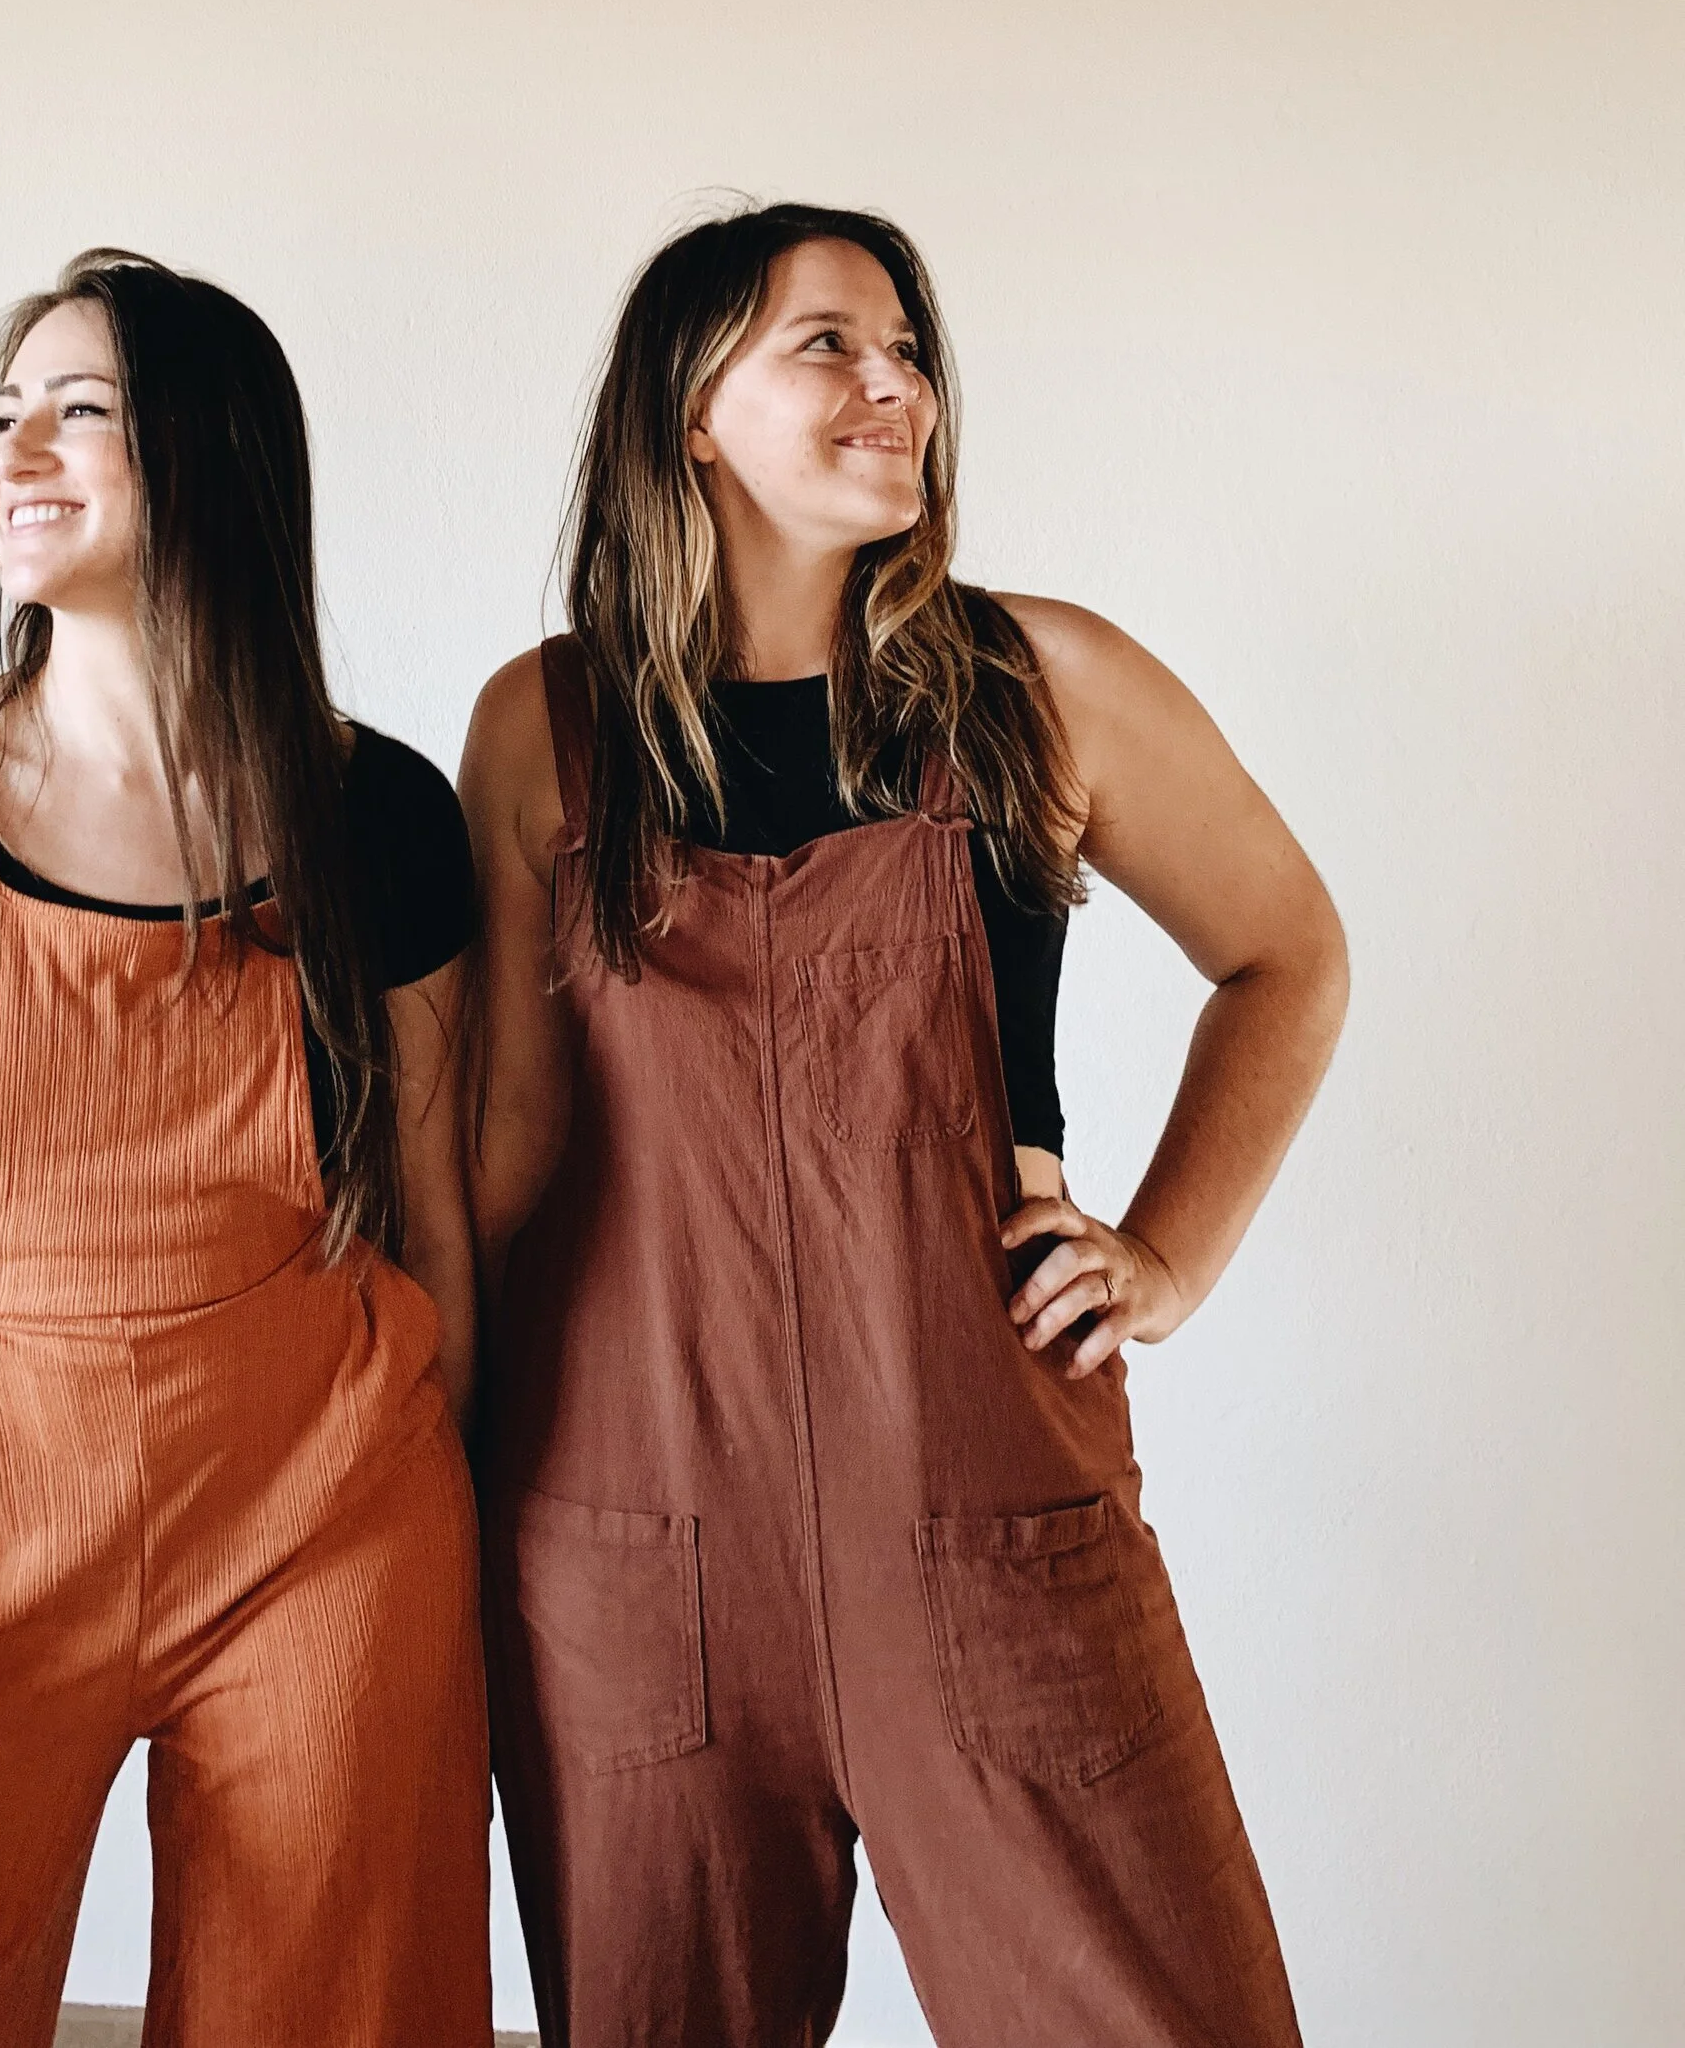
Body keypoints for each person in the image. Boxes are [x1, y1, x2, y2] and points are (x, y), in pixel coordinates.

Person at [463, 201, 1347, 2048]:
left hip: (989, 1525)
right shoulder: (547, 727)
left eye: (910, 352)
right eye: (831, 346)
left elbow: (1286, 952)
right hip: (636, 1543)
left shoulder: (1042, 686)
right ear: (690, 414)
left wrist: (1168, 1257)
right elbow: (510, 1148)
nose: (900, 388)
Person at [0, 251, 490, 2048]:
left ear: (214, 453)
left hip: (328, 1535)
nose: (18, 454)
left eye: (81, 411)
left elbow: (436, 1239)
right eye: (4, 416)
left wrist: (457, 1600)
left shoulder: (381, 817)